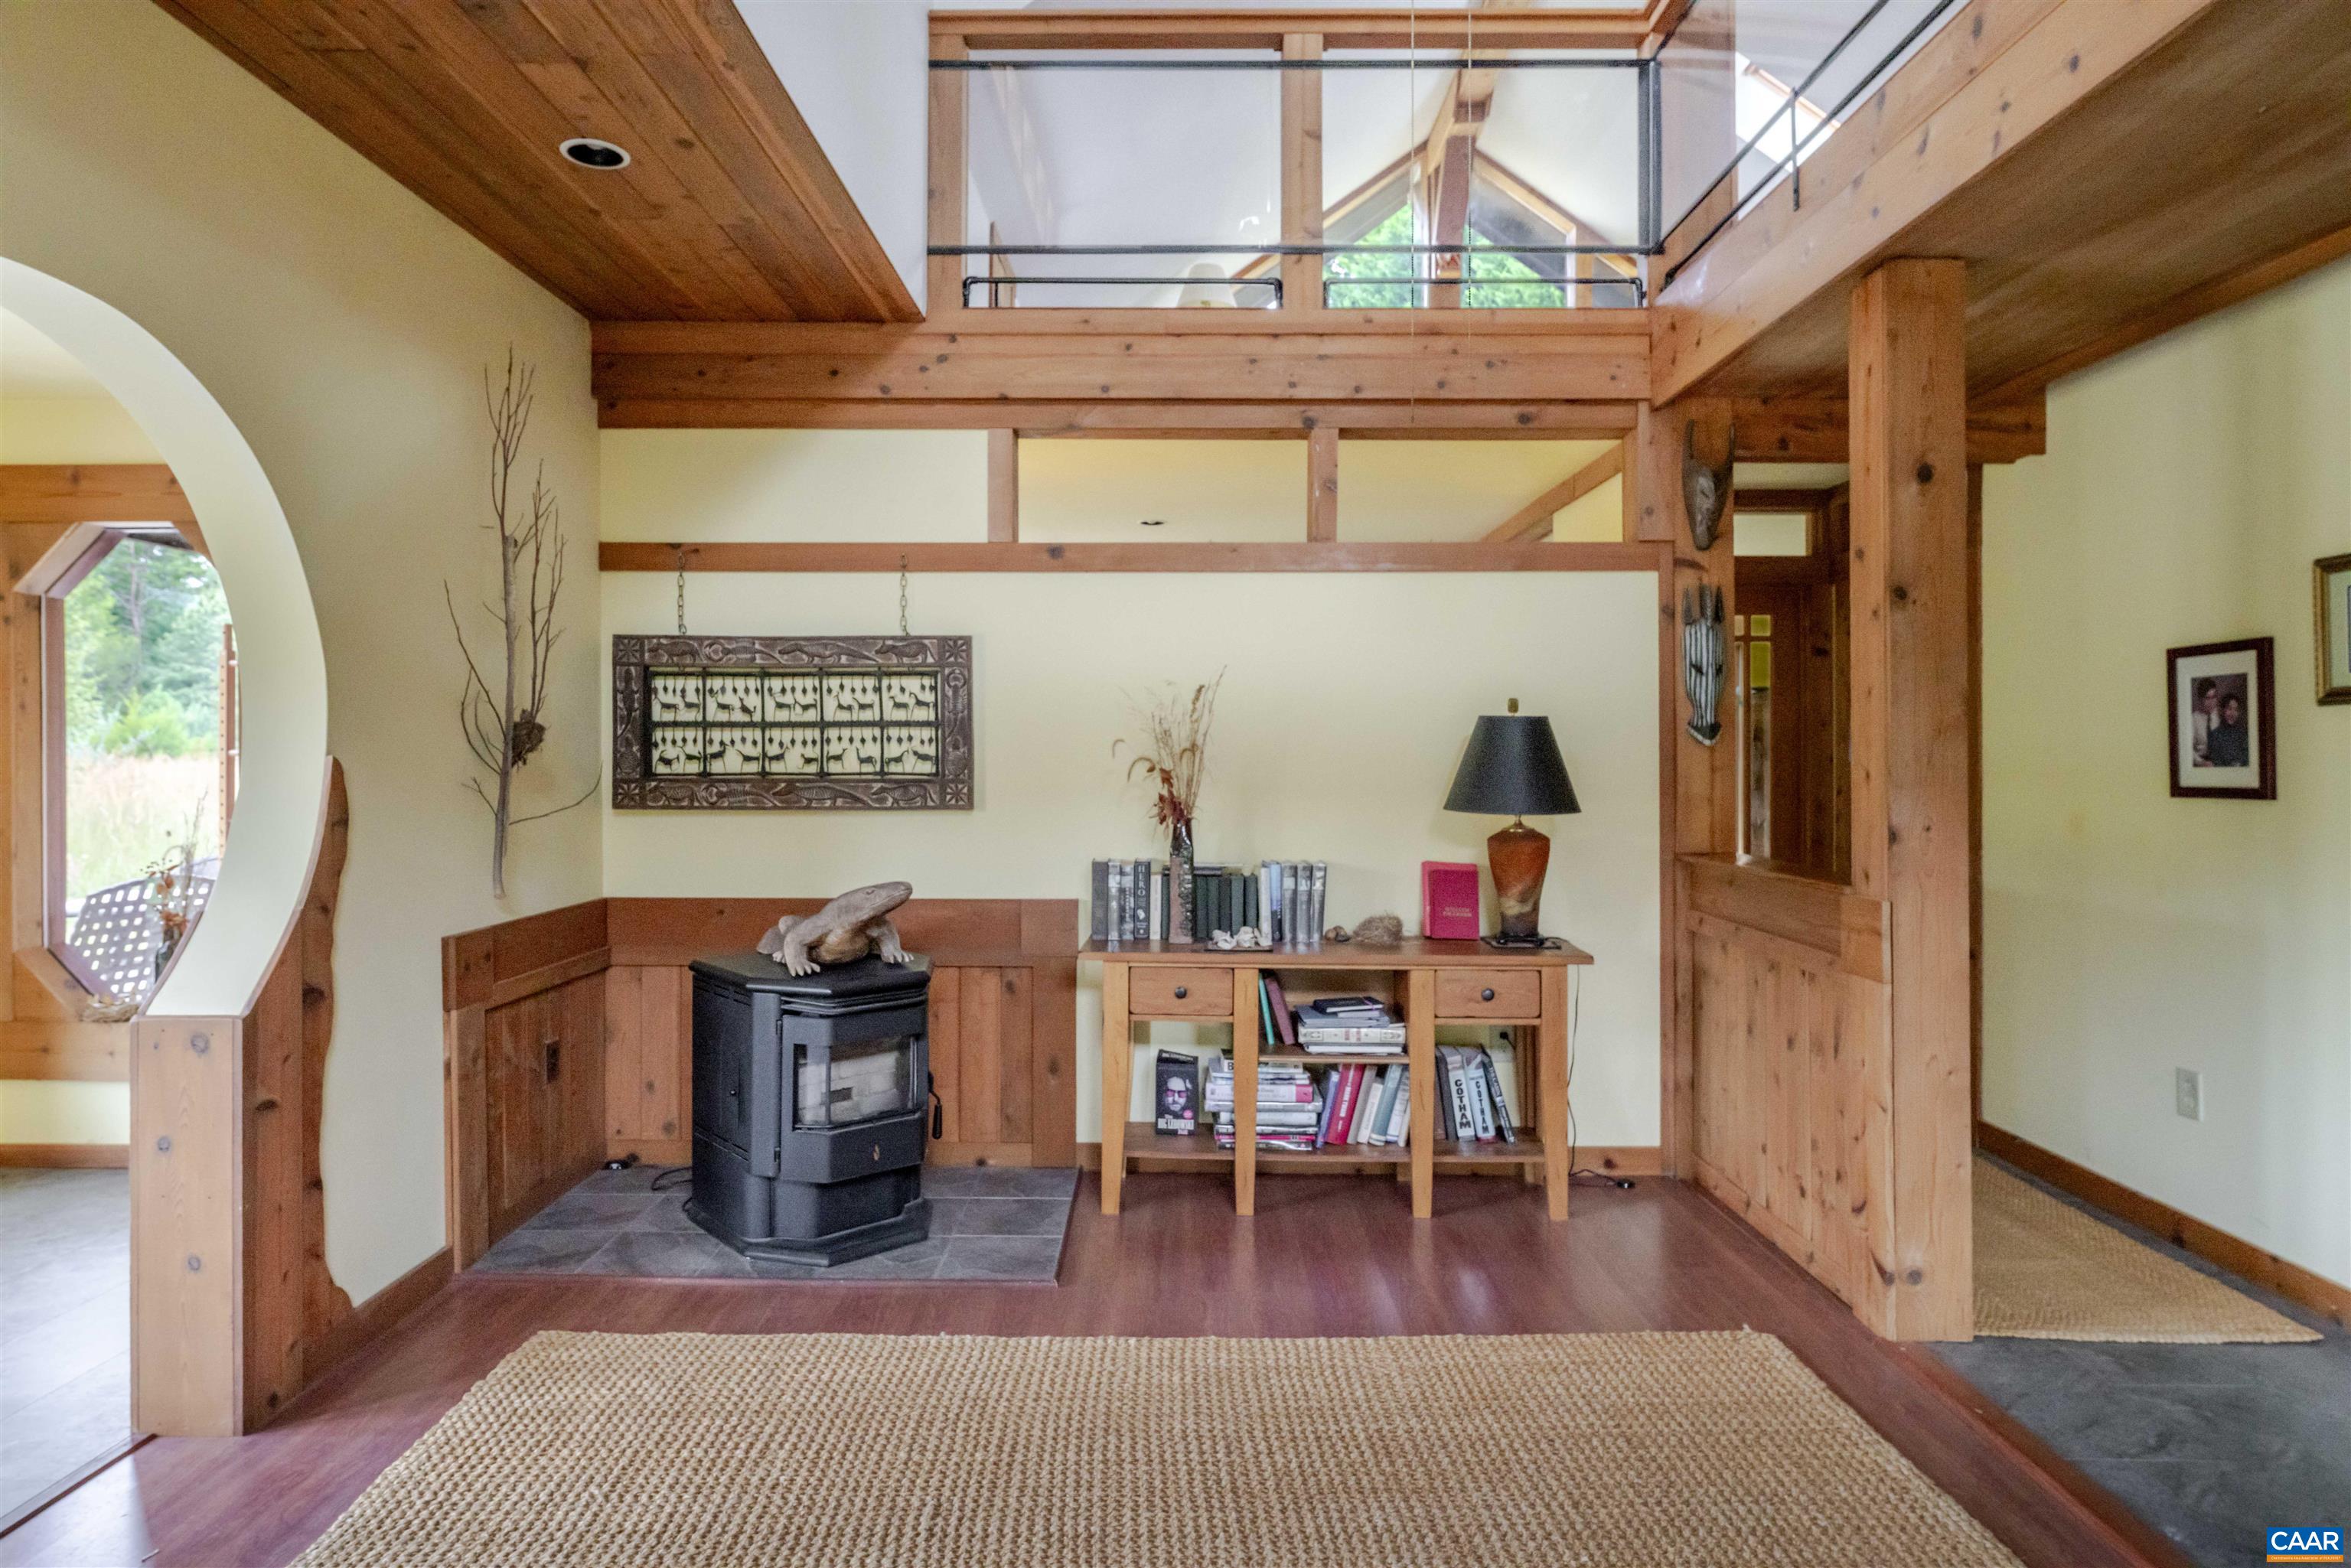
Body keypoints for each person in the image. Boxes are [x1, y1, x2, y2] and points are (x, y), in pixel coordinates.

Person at [2206, 693, 2250, 768]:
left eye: (2236, 710)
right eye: (2229, 709)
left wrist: (2240, 764)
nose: (2233, 713)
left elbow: (2247, 757)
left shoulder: (2243, 733)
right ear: (2222, 711)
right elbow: (2216, 761)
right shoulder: (2214, 735)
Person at [2190, 678, 2221, 763]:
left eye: (2214, 697)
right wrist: (2201, 762)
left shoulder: (2221, 715)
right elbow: (2188, 748)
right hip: (2201, 760)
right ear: (2200, 699)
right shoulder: (2193, 719)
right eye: (2207, 698)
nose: (2212, 702)